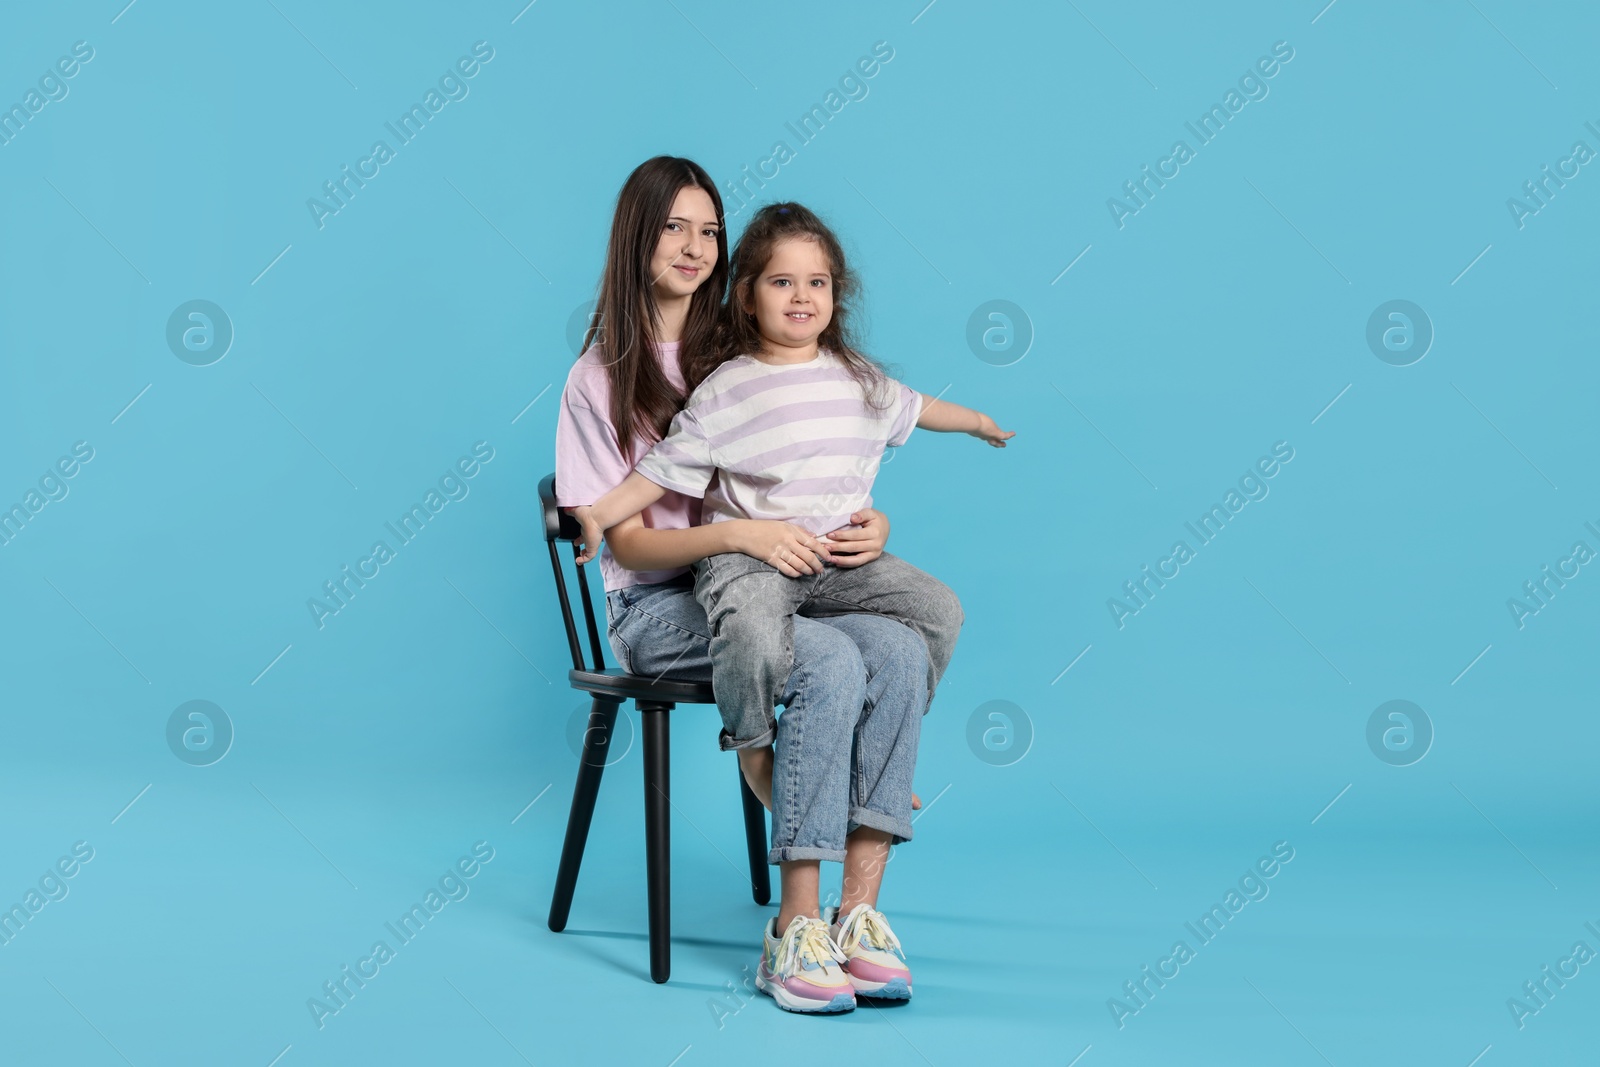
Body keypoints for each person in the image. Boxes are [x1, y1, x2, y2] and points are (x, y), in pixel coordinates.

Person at [571, 199, 1013, 1012]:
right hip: (736, 567)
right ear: (750, 295)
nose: (802, 296)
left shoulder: (852, 378)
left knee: (928, 622)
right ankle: (757, 767)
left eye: (817, 283)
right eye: (782, 281)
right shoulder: (721, 385)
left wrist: (976, 422)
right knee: (802, 642)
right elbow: (662, 477)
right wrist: (601, 512)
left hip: (829, 563)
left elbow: (913, 407)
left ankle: (860, 903)